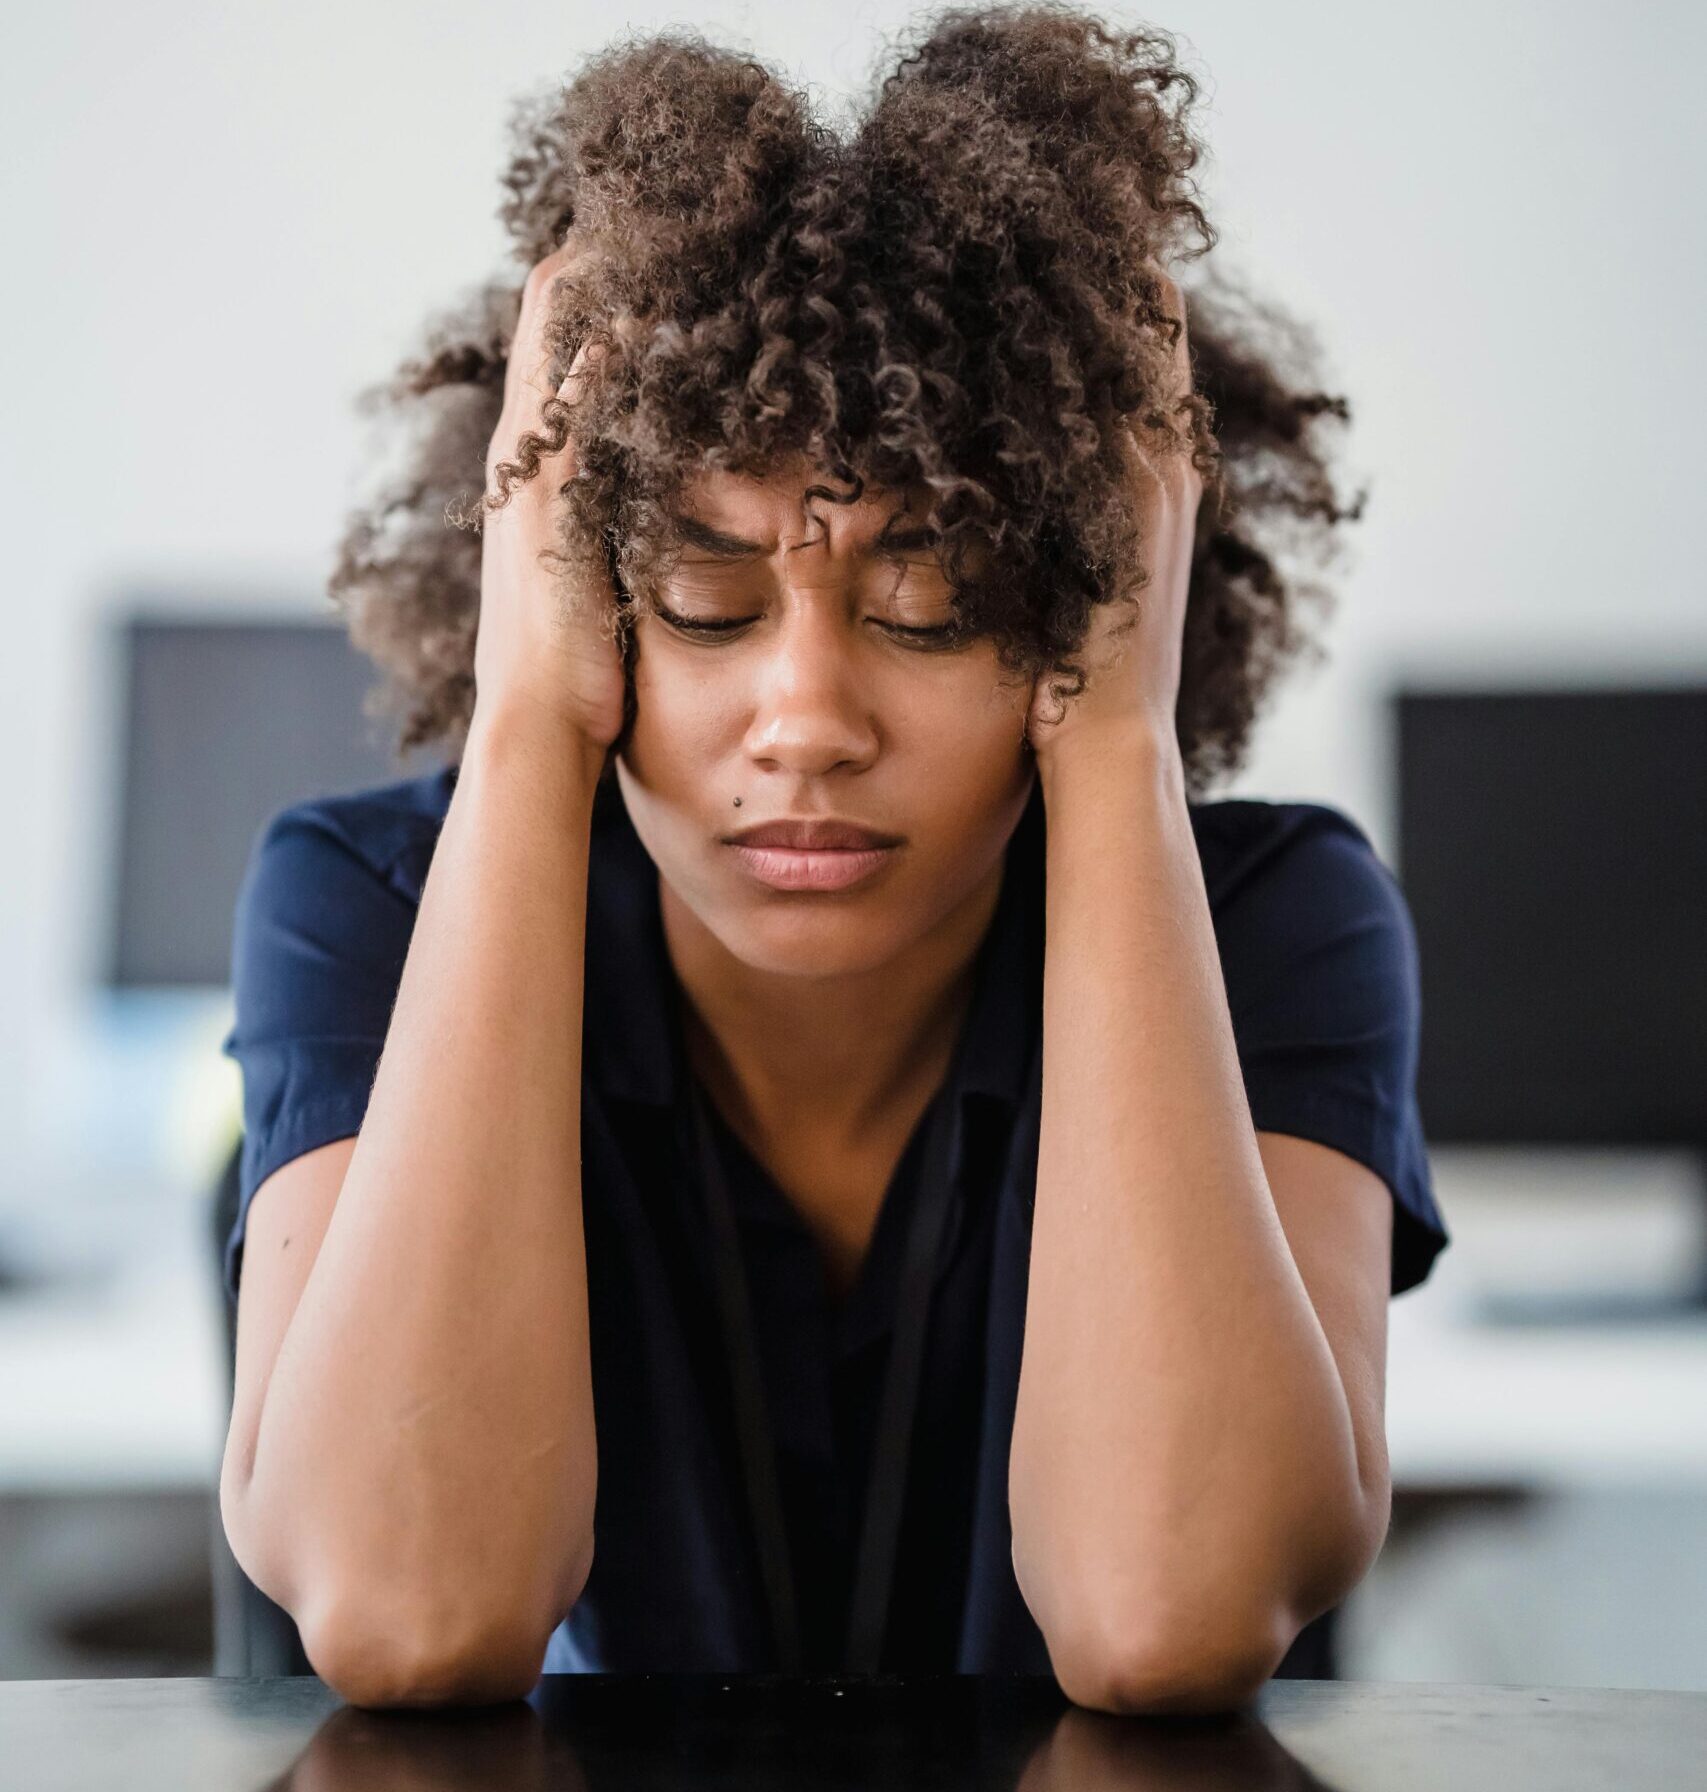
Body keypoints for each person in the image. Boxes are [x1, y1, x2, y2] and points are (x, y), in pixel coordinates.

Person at [216, 5, 1449, 1717]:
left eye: (932, 606)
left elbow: (1168, 1608)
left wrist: (1113, 742)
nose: (805, 717)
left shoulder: (1274, 926)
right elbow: (412, 1614)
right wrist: (523, 725)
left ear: (1081, 603)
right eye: (706, 603)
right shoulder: (370, 906)